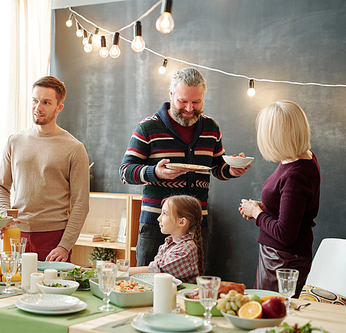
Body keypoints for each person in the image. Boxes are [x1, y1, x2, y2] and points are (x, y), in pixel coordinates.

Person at [120, 67, 250, 266]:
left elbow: (217, 167)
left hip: (196, 225)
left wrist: (231, 170)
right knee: (147, 285)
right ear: (171, 95)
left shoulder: (211, 128)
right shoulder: (147, 127)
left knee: (191, 288)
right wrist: (155, 172)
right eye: (183, 101)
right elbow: (125, 172)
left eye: (196, 102)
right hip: (157, 224)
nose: (190, 108)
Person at [0, 76, 90, 262]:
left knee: (51, 291)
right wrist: (4, 217)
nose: (38, 107)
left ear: (59, 107)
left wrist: (65, 246)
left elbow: (81, 203)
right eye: (35, 100)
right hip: (15, 233)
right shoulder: (14, 141)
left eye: (46, 102)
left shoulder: (74, 148)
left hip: (54, 238)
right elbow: (1, 186)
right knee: (12, 288)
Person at [239, 100, 320, 296]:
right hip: (281, 258)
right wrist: (267, 208)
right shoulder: (301, 158)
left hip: (282, 261)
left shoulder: (295, 175)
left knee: (273, 317)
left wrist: (257, 213)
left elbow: (285, 234)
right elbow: (292, 209)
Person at [129, 195, 203, 283]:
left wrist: (123, 270)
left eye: (165, 213)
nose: (158, 218)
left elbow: (158, 271)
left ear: (182, 222)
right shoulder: (167, 244)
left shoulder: (186, 249)